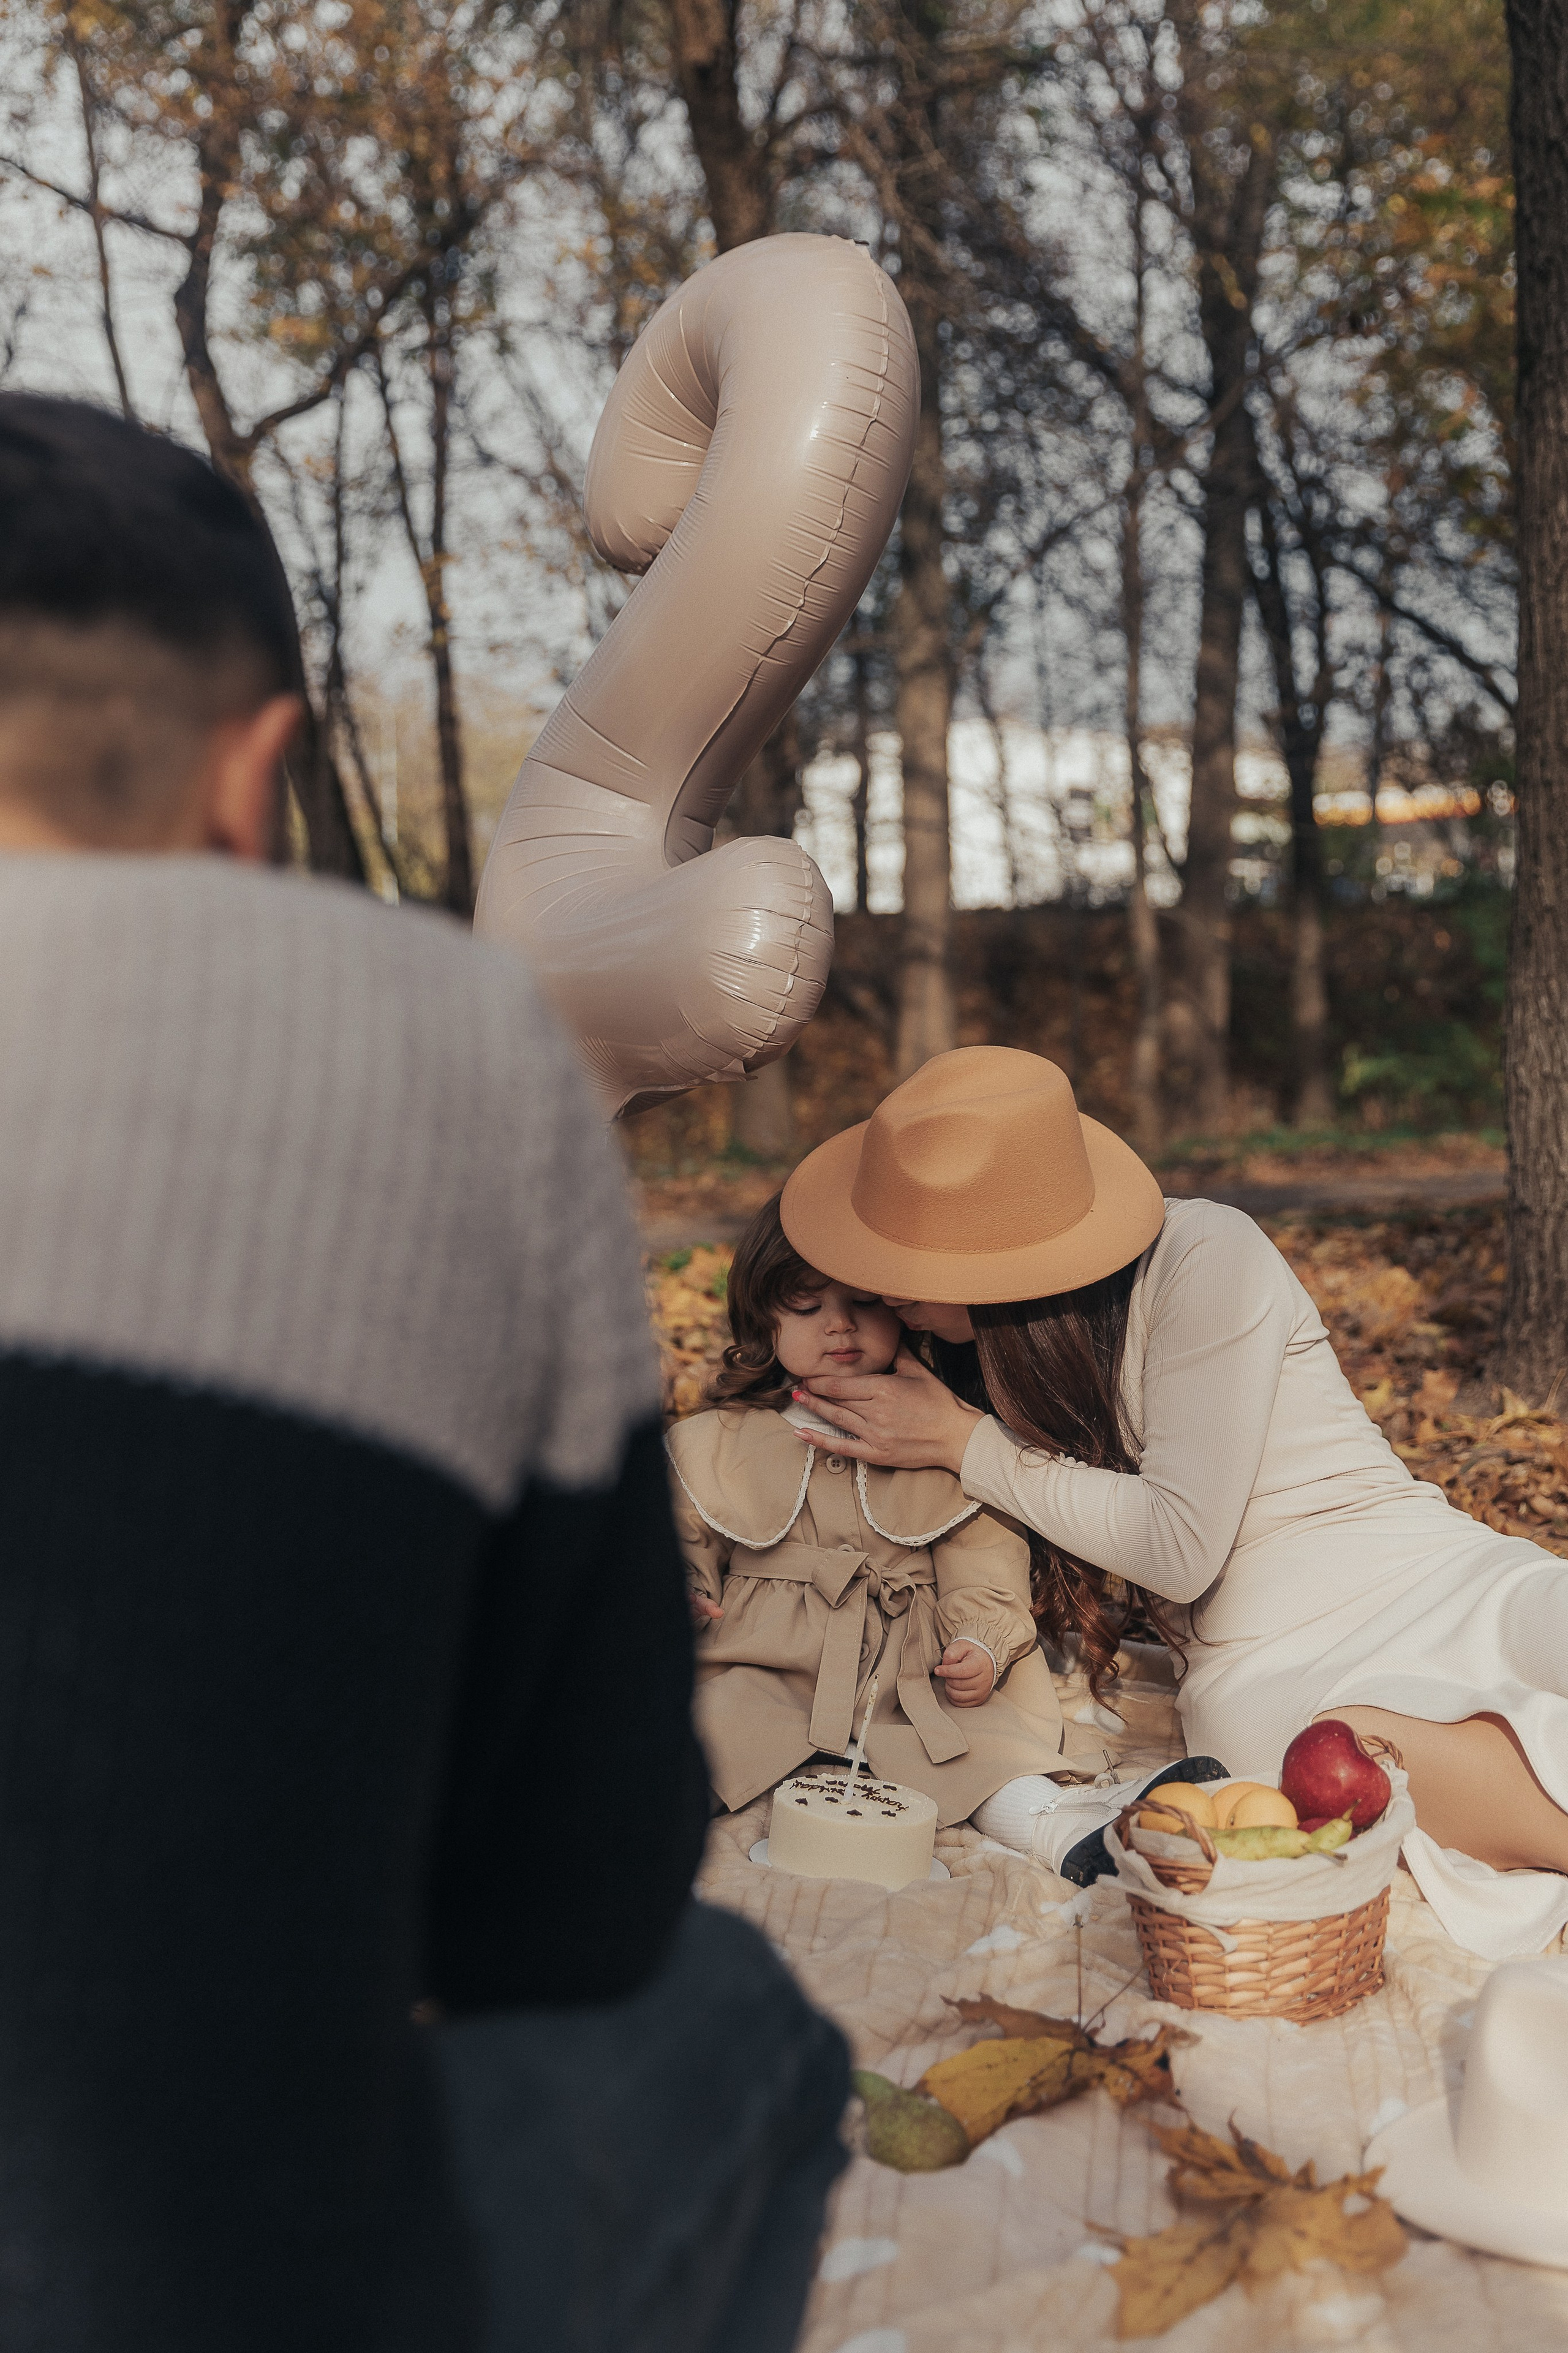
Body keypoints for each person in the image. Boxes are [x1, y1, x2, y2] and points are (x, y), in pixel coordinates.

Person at [0, 393, 845, 2353]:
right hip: (206, 2274)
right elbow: (570, 1902)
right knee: (738, 2024)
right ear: (257, 773)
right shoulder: (448, 1035)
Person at [774, 1044, 1568, 1938]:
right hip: (1272, 1670)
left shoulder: (1205, 1257)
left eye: (906, 1262)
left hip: (1436, 1574)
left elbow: (1177, 1544)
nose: (876, 1288)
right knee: (1346, 1749)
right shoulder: (951, 1361)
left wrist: (967, 1444)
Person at [668, 1194, 1066, 1824]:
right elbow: (678, 1538)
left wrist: (980, 1643)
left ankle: (1057, 1831)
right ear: (760, 1321)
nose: (839, 1326)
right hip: (766, 1665)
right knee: (697, 1742)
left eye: (865, 1300)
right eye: (805, 1305)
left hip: (912, 1676)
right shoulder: (720, 1442)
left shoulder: (945, 1435)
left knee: (990, 1755)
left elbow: (984, 1559)